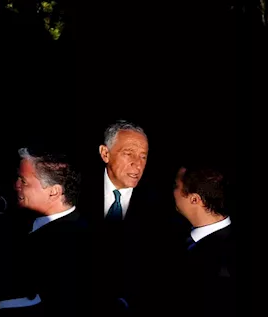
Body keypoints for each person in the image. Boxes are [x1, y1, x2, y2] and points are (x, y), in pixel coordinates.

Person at [0, 148, 87, 315]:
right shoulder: (29, 216)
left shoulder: (71, 246)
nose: (16, 185)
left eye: (23, 181)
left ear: (54, 191)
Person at [88, 121, 169, 313]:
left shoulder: (160, 206)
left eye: (143, 156)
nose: (138, 164)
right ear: (105, 153)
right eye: (128, 153)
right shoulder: (75, 191)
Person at [168, 164, 235, 317]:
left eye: (175, 186)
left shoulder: (223, 265)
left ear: (194, 199)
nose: (172, 192)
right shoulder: (179, 232)